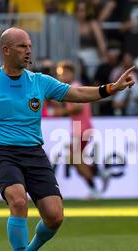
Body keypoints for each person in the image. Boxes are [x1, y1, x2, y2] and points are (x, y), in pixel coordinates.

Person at [0, 27, 135, 251]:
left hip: (34, 153)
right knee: (18, 202)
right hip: (3, 153)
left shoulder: (39, 81)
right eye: (22, 46)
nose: (28, 51)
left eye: (29, 45)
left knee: (55, 216)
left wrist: (110, 89)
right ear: (6, 50)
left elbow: (75, 94)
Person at [55, 60, 110, 199]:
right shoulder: (70, 88)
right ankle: (98, 173)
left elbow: (78, 107)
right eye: (59, 74)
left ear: (72, 73)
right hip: (79, 129)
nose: (61, 77)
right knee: (75, 160)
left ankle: (95, 185)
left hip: (82, 129)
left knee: (74, 158)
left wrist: (60, 111)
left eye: (64, 73)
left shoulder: (75, 87)